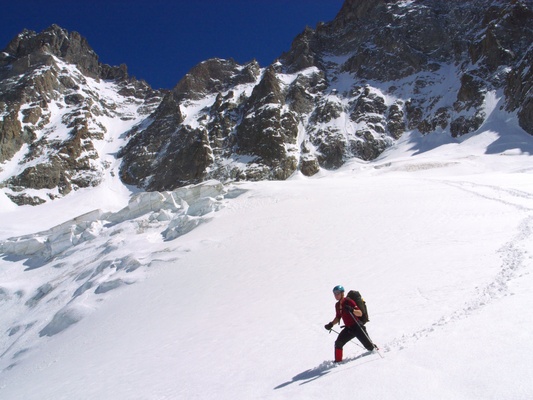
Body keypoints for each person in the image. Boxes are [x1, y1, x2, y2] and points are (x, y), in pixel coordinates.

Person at [324, 285, 376, 362]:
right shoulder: (337, 305)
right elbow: (338, 317)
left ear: (342, 293)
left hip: (357, 327)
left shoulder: (348, 301)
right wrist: (331, 324)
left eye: (337, 292)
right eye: (334, 293)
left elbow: (360, 313)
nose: (336, 295)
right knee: (338, 343)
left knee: (370, 347)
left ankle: (378, 356)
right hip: (348, 329)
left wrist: (352, 310)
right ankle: (337, 362)